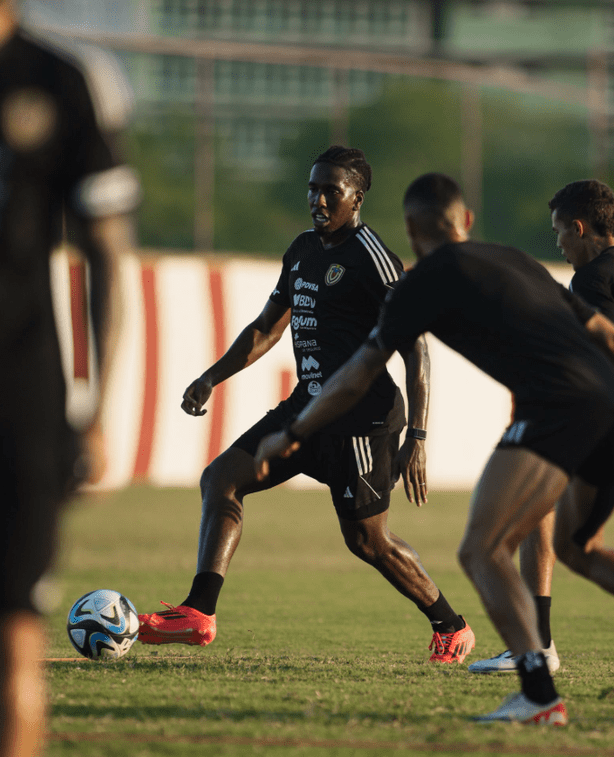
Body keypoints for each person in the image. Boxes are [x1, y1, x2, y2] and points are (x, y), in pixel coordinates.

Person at [255, 172, 614, 725]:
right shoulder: (515, 259)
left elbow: (358, 372)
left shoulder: (421, 284)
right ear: (467, 221)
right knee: (581, 550)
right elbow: (612, 339)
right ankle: (538, 683)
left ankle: (538, 695)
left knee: (480, 550)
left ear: (412, 229)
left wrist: (293, 432)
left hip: (557, 411)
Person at [138, 146, 475, 663]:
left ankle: (451, 626)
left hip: (363, 419)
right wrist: (211, 377)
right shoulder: (301, 250)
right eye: (312, 188)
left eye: (330, 191)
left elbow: (417, 347)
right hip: (306, 409)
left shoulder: (373, 256)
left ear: (356, 197)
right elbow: (266, 329)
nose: (317, 200)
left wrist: (420, 437)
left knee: (368, 541)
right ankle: (198, 612)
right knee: (222, 478)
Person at [0, 3, 140, 757]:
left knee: (16, 631)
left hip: (20, 395)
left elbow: (106, 255)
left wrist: (96, 405)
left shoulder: (57, 81)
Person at [469, 179, 614, 675]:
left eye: (559, 233)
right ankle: (537, 642)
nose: (559, 245)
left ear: (580, 227)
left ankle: (538, 646)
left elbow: (608, 363)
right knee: (556, 524)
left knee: (558, 528)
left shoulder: (591, 280)